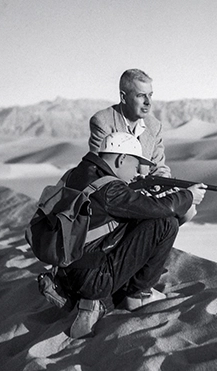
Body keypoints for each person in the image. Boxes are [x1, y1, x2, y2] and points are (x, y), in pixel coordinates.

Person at [41, 132, 206, 339]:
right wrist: (188, 195)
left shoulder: (76, 174)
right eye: (136, 165)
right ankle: (135, 295)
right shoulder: (110, 189)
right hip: (92, 279)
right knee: (166, 223)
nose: (137, 172)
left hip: (65, 273)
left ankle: (94, 298)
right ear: (121, 159)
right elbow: (159, 209)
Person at [89, 68, 171, 178]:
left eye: (150, 95)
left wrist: (162, 182)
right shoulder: (102, 122)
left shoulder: (154, 126)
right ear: (123, 97)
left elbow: (159, 167)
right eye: (141, 95)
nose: (148, 102)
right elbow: (101, 170)